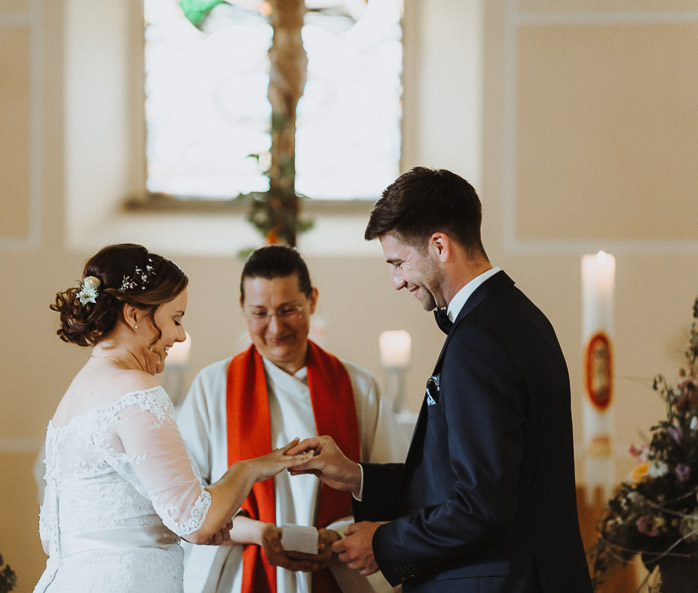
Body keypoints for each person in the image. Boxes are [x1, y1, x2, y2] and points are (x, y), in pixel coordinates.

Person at [288, 168, 593, 592]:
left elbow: (481, 506)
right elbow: (464, 481)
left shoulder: (481, 338)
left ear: (439, 245)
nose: (396, 281)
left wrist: (384, 542)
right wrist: (357, 477)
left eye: (398, 263)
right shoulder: (514, 317)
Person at [34, 243, 313, 593]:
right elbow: (196, 521)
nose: (180, 335)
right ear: (134, 315)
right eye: (176, 319)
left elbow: (53, 538)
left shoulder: (73, 398)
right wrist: (249, 468)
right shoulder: (134, 389)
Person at [177, 245, 407, 593]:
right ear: (242, 307)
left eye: (288, 310)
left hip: (337, 569)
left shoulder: (357, 386)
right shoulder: (213, 386)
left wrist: (337, 536)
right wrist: (259, 532)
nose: (275, 328)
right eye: (259, 313)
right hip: (240, 573)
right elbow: (188, 502)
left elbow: (397, 490)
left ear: (312, 300)